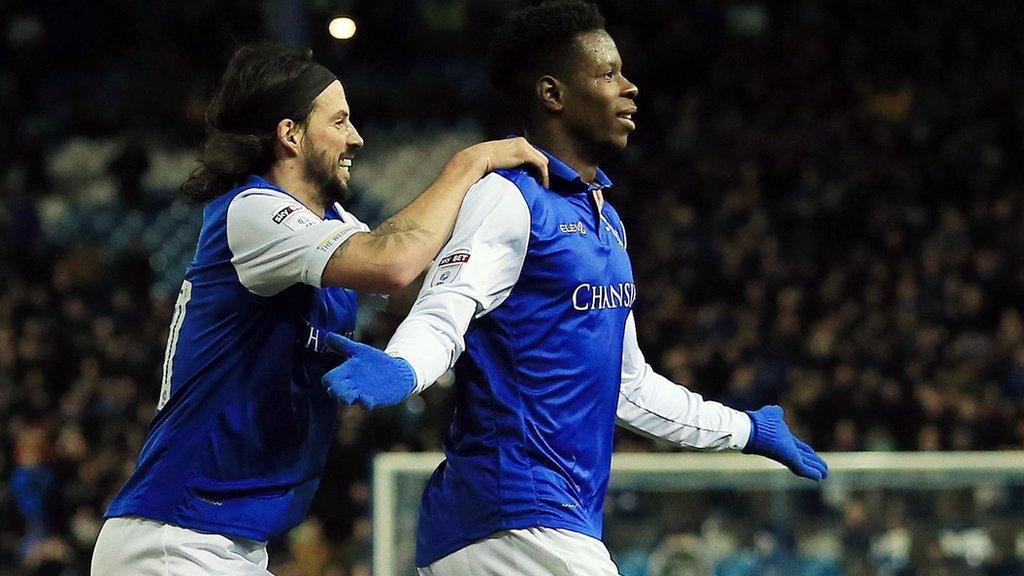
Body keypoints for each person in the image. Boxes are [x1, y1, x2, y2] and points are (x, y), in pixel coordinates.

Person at [323, 2, 828, 575]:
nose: (630, 88)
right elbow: (446, 309)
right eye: (608, 74)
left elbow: (628, 388)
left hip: (538, 523)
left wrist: (745, 429)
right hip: (510, 513)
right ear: (552, 94)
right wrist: (404, 367)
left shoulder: (605, 221)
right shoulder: (508, 199)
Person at [90, 43, 548, 575]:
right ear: (291, 135)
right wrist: (471, 163)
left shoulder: (331, 224)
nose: (356, 137)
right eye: (340, 121)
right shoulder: (252, 211)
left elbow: (422, 274)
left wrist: (519, 222)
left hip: (225, 542)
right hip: (176, 538)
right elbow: (393, 262)